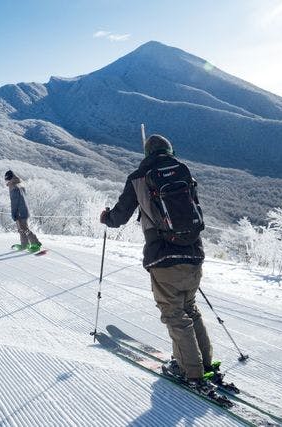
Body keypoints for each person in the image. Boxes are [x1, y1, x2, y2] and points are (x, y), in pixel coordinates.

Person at [100, 134, 213, 385]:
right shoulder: (184, 173)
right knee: (190, 309)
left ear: (147, 154)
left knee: (174, 314)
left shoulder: (139, 178)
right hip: (194, 254)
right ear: (169, 150)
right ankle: (204, 362)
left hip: (163, 257)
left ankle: (190, 372)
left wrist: (106, 217)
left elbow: (119, 217)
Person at [5, 170, 42, 252]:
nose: (6, 182)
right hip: (24, 209)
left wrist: (13, 213)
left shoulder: (14, 187)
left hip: (19, 211)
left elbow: (14, 202)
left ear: (9, 179)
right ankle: (25, 244)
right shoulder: (19, 183)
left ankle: (35, 243)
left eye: (7, 180)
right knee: (21, 228)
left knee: (24, 228)